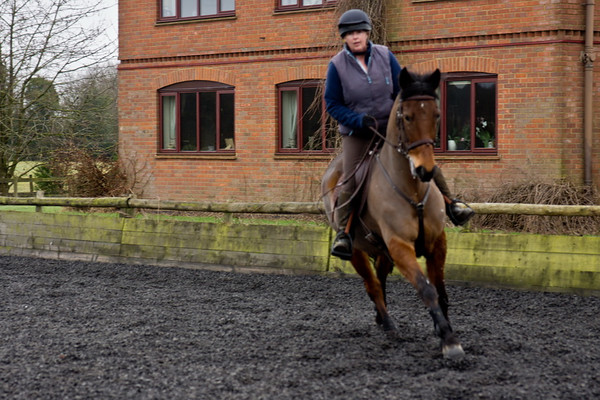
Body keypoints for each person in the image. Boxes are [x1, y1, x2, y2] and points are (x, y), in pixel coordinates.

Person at [324, 9, 474, 260]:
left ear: (367, 33)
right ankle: (345, 233)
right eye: (350, 34)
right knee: (350, 179)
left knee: (424, 161)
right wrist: (357, 120)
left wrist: (402, 120)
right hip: (358, 133)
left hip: (393, 128)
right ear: (344, 38)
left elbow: (401, 90)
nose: (356, 37)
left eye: (359, 32)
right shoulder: (336, 66)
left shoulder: (385, 55)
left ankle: (452, 205)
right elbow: (332, 103)